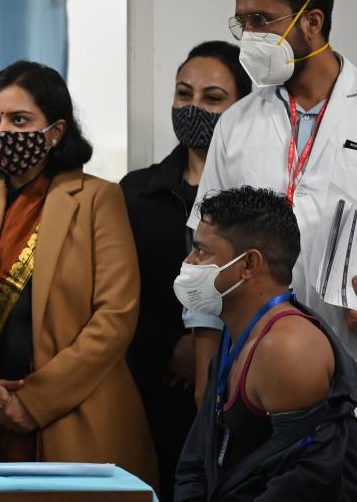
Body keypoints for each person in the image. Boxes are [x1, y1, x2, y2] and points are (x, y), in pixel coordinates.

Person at [187, 0, 357, 499]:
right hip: (258, 382)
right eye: (241, 22)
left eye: (262, 21)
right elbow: (205, 247)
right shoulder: (236, 123)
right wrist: (210, 375)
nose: (249, 36)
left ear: (312, 22)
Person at [0, 61, 157, 483]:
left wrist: (34, 401)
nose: (3, 132)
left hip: (79, 416)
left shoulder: (97, 200)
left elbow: (115, 316)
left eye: (20, 120)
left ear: (56, 131)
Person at [174, 186, 357, 501]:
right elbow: (197, 461)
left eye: (202, 251)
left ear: (249, 264)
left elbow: (303, 486)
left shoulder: (288, 349)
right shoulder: (233, 335)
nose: (189, 262)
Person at [121, 40, 250, 501]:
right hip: (152, 385)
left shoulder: (253, 197)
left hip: (237, 381)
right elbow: (119, 294)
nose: (193, 107)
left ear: (243, 106)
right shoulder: (137, 192)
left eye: (212, 98)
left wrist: (205, 348)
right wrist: (167, 349)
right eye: (183, 94)